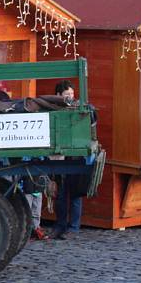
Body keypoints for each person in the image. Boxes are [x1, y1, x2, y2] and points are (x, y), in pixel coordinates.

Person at [51, 80, 84, 240]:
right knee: (61, 194)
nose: (70, 97)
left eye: (71, 94)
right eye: (67, 95)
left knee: (75, 193)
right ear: (58, 96)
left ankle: (73, 228)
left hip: (75, 155)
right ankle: (60, 225)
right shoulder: (55, 108)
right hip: (60, 155)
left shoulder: (79, 108)